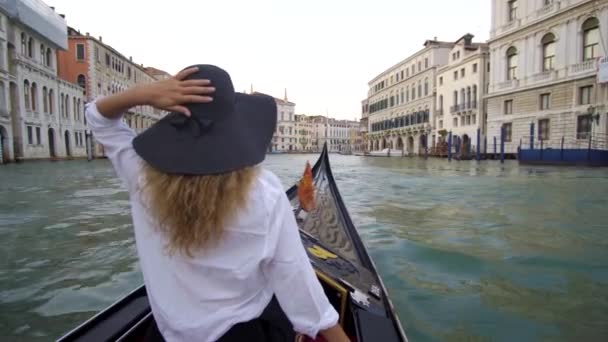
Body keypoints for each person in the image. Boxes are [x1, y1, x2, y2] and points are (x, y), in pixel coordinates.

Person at [85, 65, 350, 342]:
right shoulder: (265, 192)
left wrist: (142, 95)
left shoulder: (139, 174)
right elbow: (297, 283)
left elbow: (99, 118)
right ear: (235, 126)